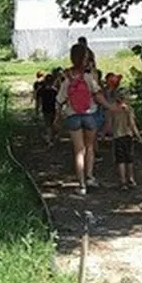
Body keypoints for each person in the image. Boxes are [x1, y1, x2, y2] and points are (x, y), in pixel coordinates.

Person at [56, 43, 122, 195]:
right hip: (89, 115)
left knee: (78, 151)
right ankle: (90, 176)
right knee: (90, 148)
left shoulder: (66, 78)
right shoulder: (88, 77)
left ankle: (81, 185)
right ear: (85, 58)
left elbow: (60, 99)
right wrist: (111, 107)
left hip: (73, 116)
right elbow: (98, 95)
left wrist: (58, 117)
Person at [104, 73, 142, 190]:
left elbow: (109, 124)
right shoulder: (129, 109)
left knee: (120, 160)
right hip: (128, 136)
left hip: (117, 136)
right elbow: (132, 124)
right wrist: (138, 135)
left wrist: (103, 134)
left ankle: (122, 181)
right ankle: (131, 178)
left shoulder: (112, 109)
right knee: (129, 159)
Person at [36, 73, 59, 146]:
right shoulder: (55, 91)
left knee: (48, 124)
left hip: (45, 109)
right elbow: (58, 101)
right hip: (53, 109)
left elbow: (38, 100)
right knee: (52, 123)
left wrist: (37, 109)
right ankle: (52, 137)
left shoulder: (41, 90)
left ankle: (49, 139)